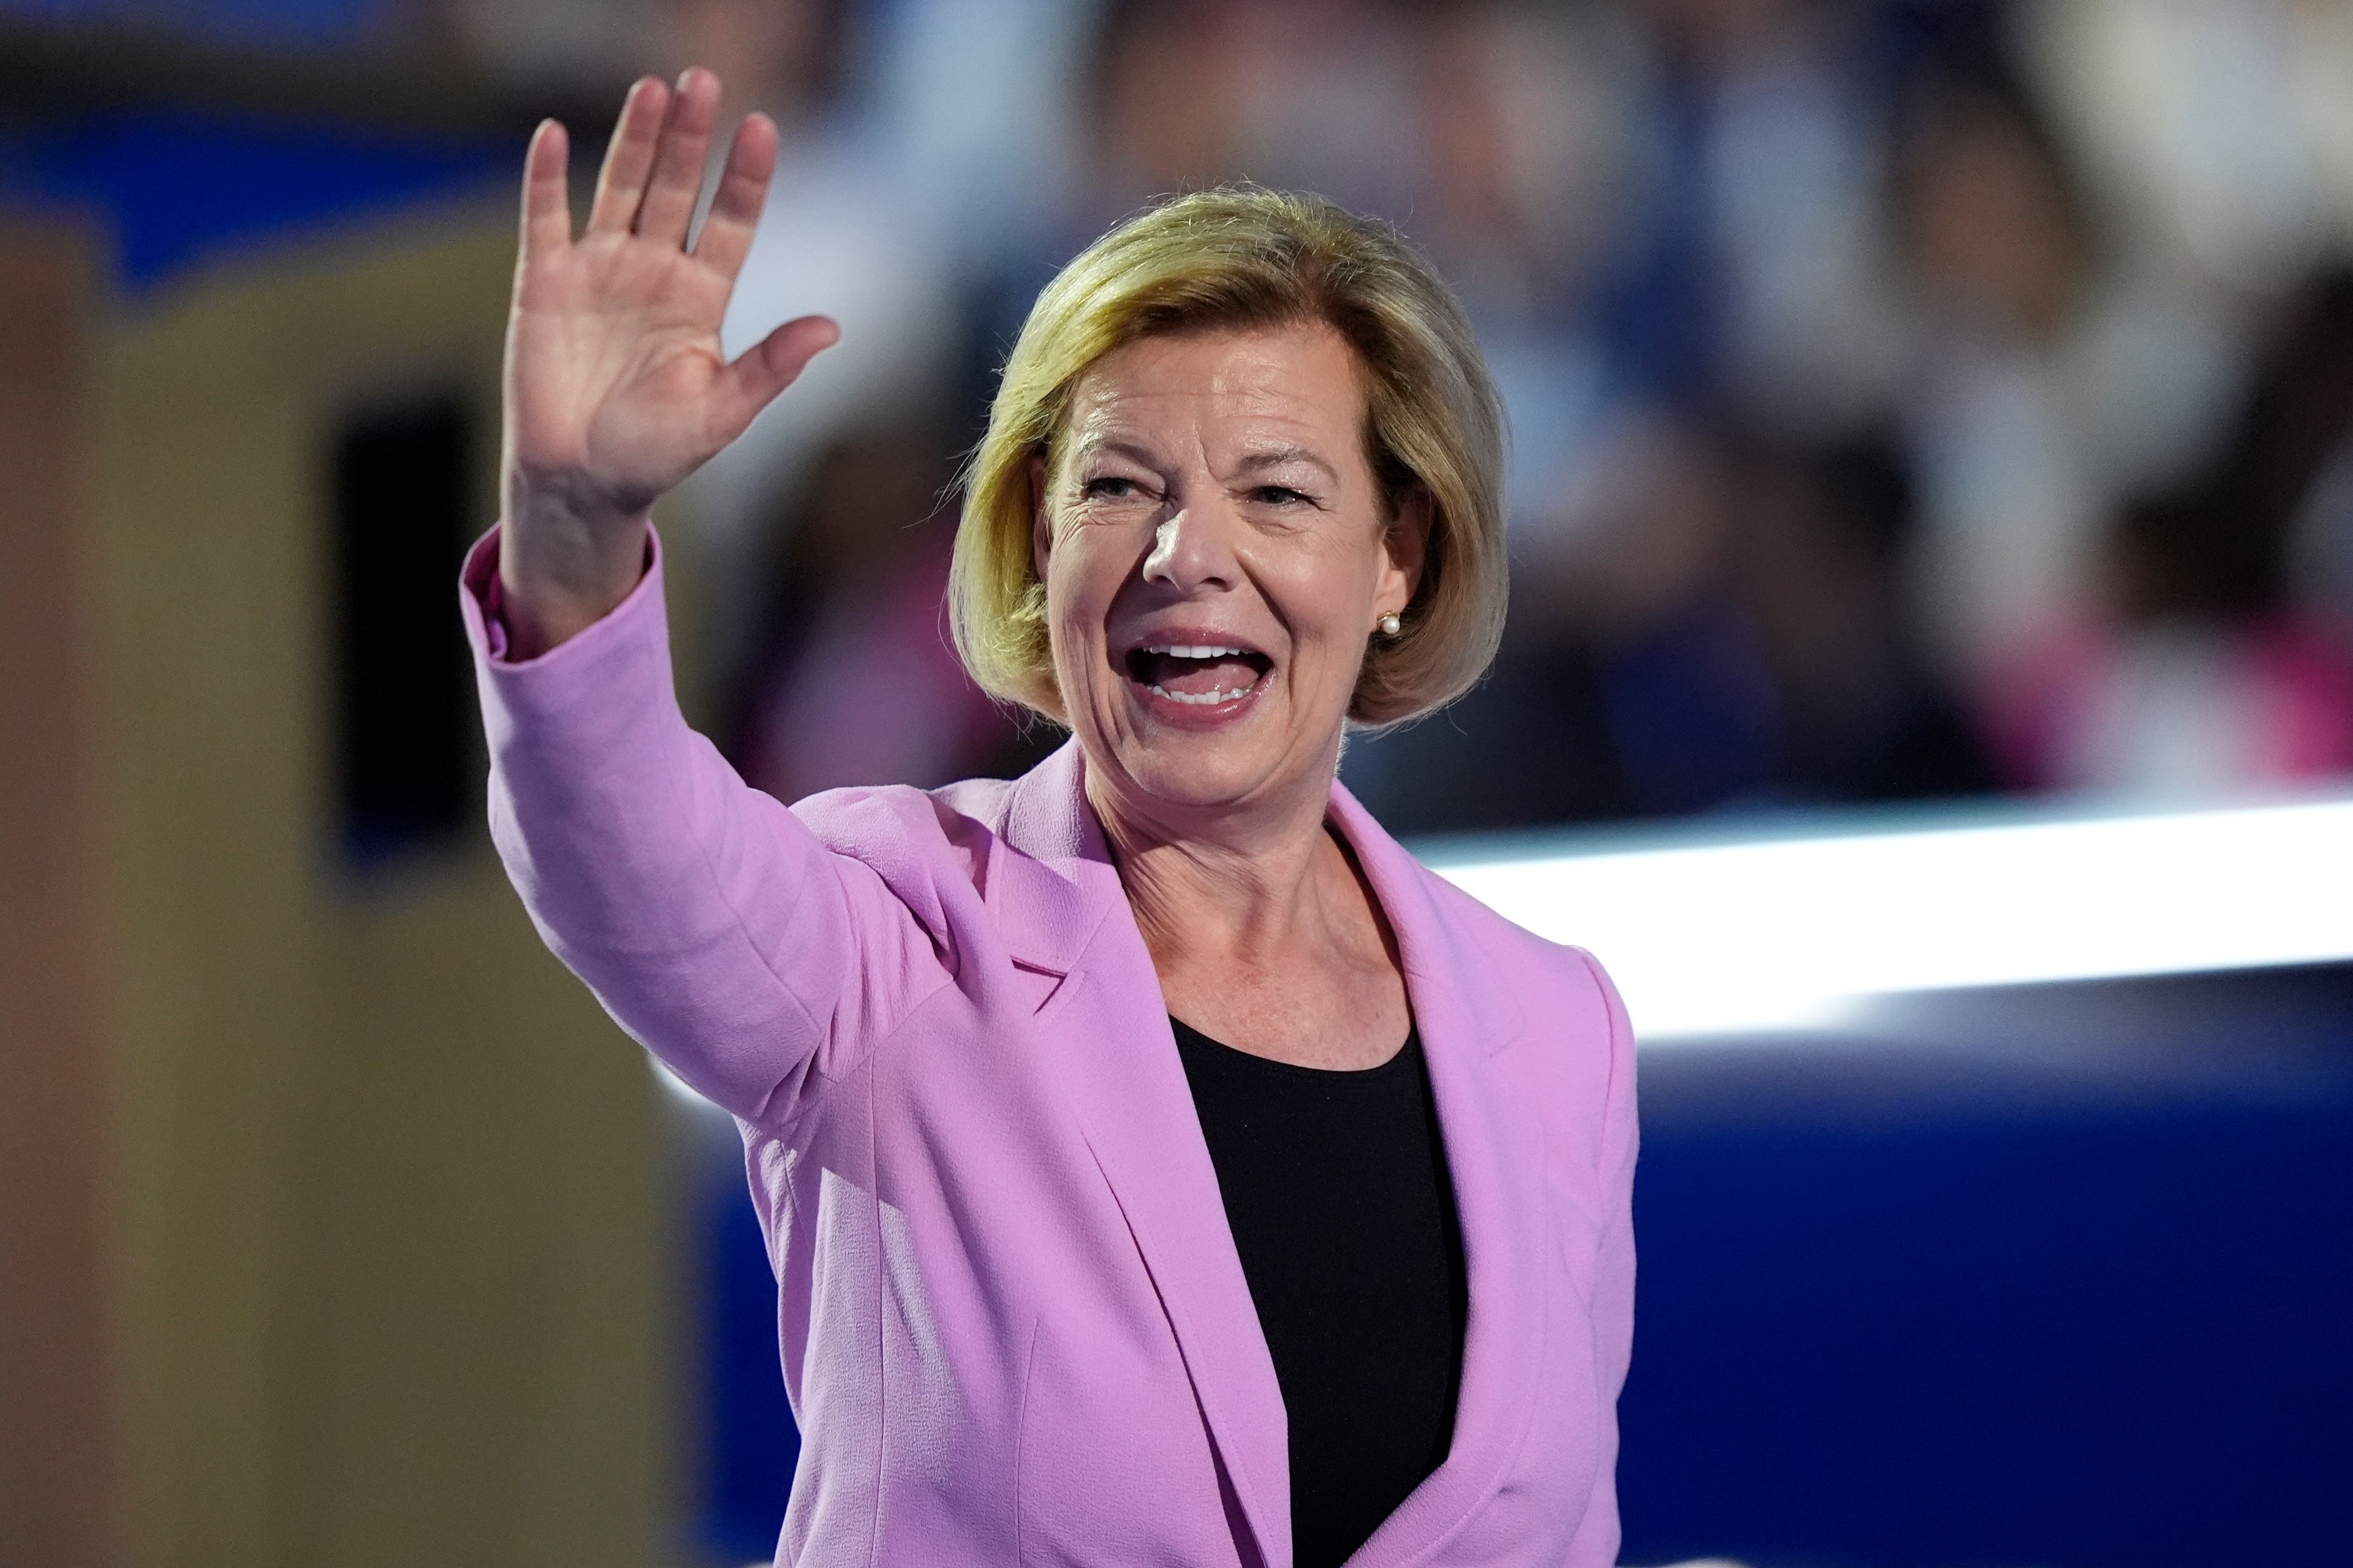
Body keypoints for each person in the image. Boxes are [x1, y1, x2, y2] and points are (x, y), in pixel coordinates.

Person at [466, 68, 1636, 1567]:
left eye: (1275, 492)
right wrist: (572, 535)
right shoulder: (894, 938)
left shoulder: (1561, 1035)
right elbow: (628, 858)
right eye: (1118, 485)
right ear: (1036, 545)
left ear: (1396, 552)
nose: (1183, 552)